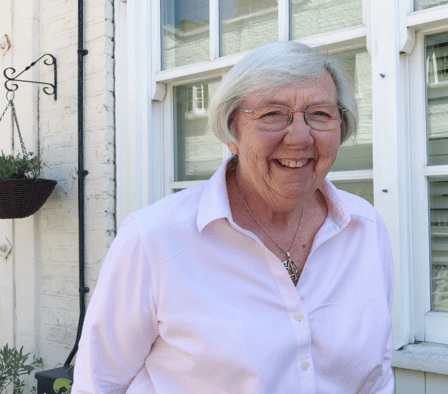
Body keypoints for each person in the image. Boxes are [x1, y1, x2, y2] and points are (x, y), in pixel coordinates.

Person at [72, 41, 394, 394]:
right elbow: (98, 384)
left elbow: (375, 377)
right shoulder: (154, 238)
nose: (300, 136)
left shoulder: (365, 228)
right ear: (232, 131)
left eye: (320, 114)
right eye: (273, 113)